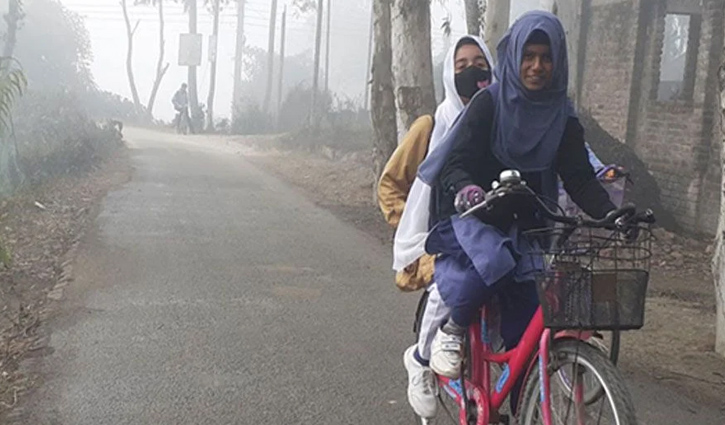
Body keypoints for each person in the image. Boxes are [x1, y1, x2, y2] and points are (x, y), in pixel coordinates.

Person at [410, 11, 617, 416]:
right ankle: (451, 331)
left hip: (528, 218)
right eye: (529, 56)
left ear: (558, 60)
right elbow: (455, 163)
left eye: (546, 57)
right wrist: (470, 190)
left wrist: (611, 213)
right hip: (474, 213)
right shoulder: (489, 103)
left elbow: (578, 176)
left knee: (528, 315)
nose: (537, 66)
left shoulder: (562, 115)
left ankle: (519, 401)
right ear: (515, 56)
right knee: (489, 261)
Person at [377, 35, 495, 419]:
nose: (472, 72)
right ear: (448, 74)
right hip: (439, 243)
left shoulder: (499, 122)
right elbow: (390, 184)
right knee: (450, 289)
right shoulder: (430, 126)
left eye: (480, 63)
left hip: (485, 232)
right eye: (461, 66)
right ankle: (421, 363)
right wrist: (412, 231)